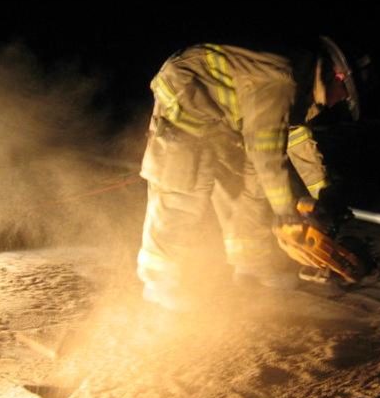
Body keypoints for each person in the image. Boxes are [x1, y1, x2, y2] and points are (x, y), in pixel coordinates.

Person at [136, 36, 363, 311]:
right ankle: (161, 285)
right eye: (346, 93)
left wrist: (323, 193)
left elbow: (295, 137)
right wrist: (286, 215)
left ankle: (253, 268)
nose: (343, 101)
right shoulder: (282, 82)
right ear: (336, 76)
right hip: (188, 94)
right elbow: (267, 153)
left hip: (223, 120)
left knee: (248, 181)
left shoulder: (300, 83)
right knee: (183, 184)